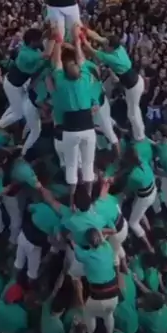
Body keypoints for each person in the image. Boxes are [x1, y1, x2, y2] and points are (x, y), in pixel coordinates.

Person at [49, 25, 97, 202]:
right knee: (88, 165)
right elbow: (81, 57)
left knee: (71, 165)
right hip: (88, 128)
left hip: (70, 130)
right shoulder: (85, 79)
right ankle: (88, 198)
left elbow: (56, 61)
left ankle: (72, 201)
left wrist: (57, 40)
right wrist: (77, 40)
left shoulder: (61, 83)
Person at [84, 31, 145, 142]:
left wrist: (81, 39)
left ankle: (140, 136)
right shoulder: (118, 48)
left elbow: (92, 51)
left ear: (111, 47)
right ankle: (139, 132)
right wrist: (85, 30)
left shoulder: (112, 58)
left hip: (134, 87)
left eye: (106, 44)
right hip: (135, 82)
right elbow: (98, 37)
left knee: (132, 113)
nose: (104, 45)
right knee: (134, 110)